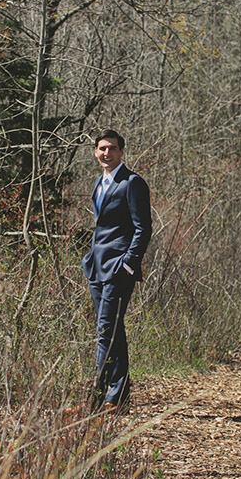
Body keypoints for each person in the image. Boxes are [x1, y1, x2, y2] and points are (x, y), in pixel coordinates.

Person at [81, 129, 151, 411]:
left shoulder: (132, 183)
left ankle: (98, 398)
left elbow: (143, 228)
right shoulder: (99, 183)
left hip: (119, 268)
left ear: (122, 152)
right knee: (112, 331)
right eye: (101, 149)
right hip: (96, 268)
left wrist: (128, 263)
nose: (106, 153)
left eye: (112, 148)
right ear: (95, 152)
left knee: (105, 330)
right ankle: (118, 398)